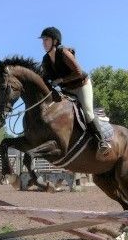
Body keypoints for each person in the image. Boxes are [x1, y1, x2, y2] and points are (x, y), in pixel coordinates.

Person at [39, 26, 111, 156]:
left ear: (55, 41)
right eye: (43, 40)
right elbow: (46, 77)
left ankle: (102, 141)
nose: (43, 42)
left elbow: (78, 72)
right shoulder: (46, 59)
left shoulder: (63, 53)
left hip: (82, 85)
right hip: (67, 90)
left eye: (46, 39)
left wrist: (60, 79)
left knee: (88, 112)